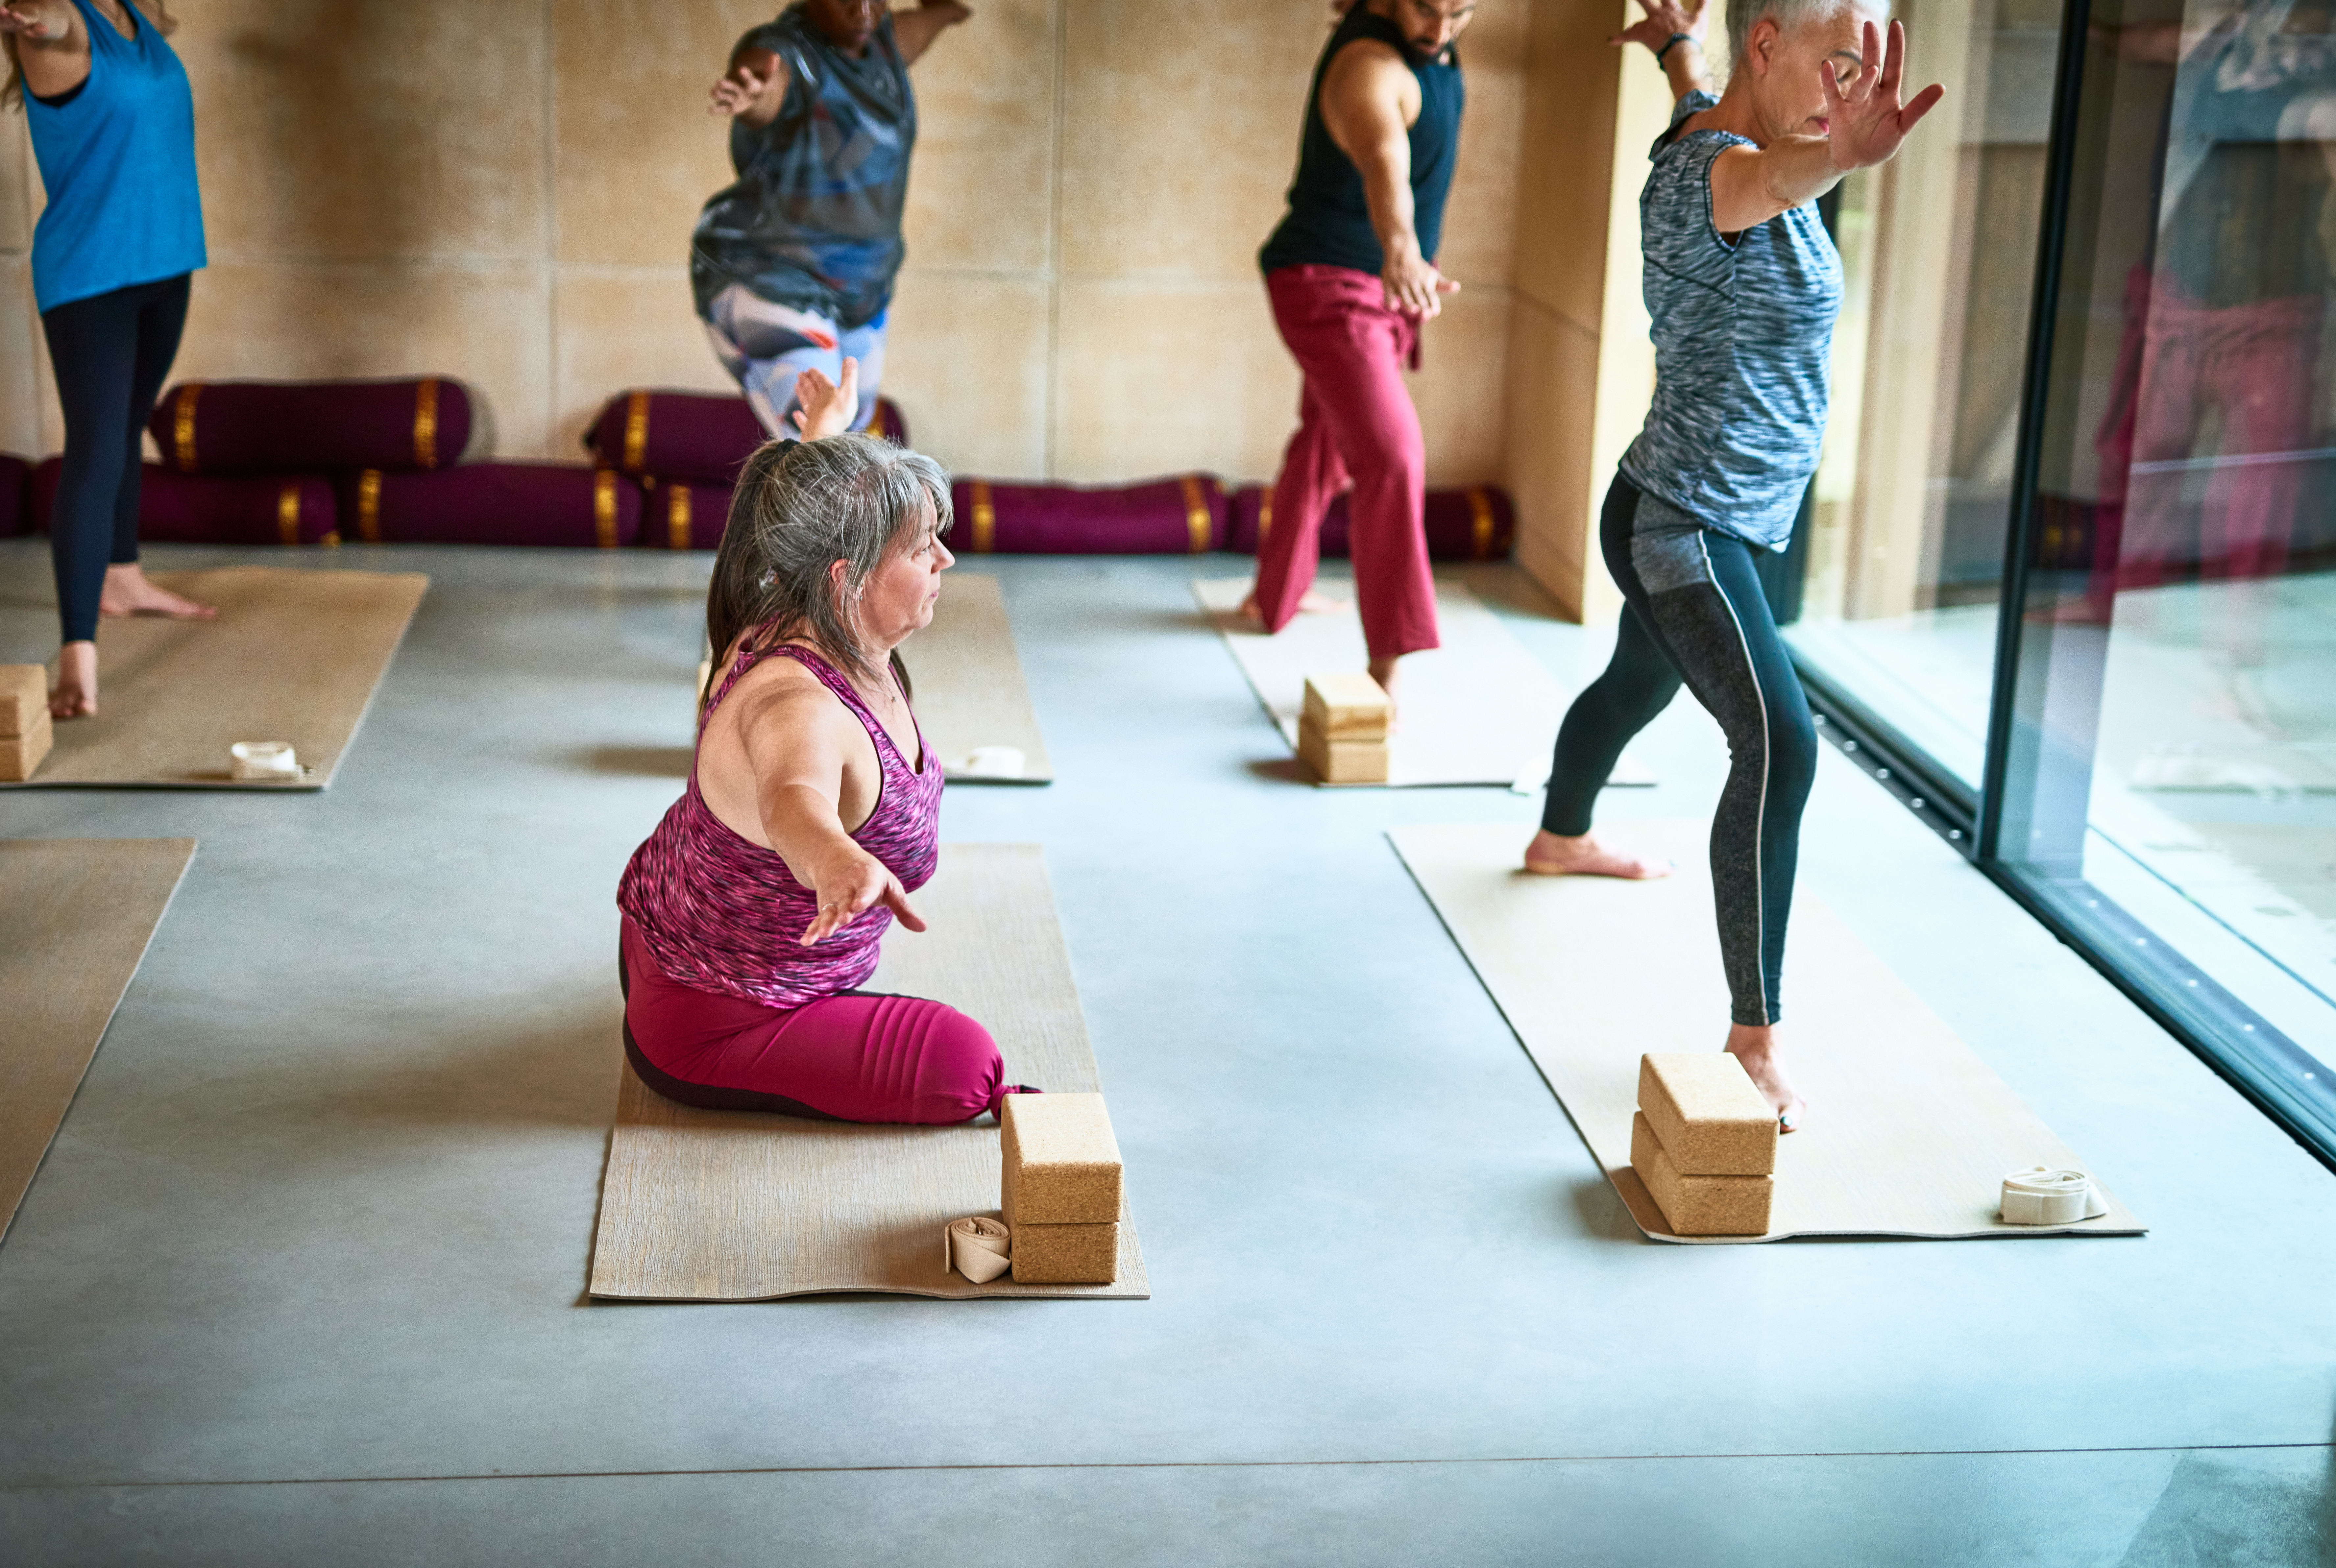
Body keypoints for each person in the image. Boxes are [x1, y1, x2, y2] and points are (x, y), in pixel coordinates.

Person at [1522, 0, 1943, 1131]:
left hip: (1700, 503)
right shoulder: (1707, 179)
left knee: (1635, 684)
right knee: (1780, 742)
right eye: (1836, 65)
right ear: (1770, 44)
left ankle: (1560, 836)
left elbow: (1702, 108)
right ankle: (1754, 1038)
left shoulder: (1709, 119)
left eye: (1862, 74)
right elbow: (1753, 184)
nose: (1848, 92)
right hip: (1684, 525)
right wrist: (1833, 157)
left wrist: (1671, 45)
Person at [615, 370, 1031, 1124]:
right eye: (923, 549)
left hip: (663, 935)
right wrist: (832, 858)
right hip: (717, 1019)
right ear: (849, 580)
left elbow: (799, 525)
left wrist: (825, 439)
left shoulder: (793, 595)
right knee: (968, 1068)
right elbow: (791, 797)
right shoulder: (796, 706)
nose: (947, 561)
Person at [1246, 0, 1474, 714]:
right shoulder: (1369, 68)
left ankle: (1275, 595)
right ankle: (1388, 673)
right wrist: (1402, 251)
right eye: (1426, 10)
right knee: (1392, 454)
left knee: (1329, 439)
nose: (1439, 32)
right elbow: (1386, 162)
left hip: (1366, 283)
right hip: (1328, 286)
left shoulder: (1426, 43)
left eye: (1460, 13)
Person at [2, 0, 212, 721]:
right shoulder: (60, 23)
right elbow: (51, 22)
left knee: (126, 431)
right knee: (95, 449)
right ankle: (76, 657)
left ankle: (122, 578)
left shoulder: (137, 11)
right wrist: (35, 24)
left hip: (167, 263)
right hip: (91, 278)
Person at [692, 0, 971, 441]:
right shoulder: (792, 53)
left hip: (863, 291)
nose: (861, 11)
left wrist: (945, 12)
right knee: (822, 447)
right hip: (771, 279)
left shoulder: (883, 45)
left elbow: (921, 26)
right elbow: (770, 79)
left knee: (849, 441)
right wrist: (754, 96)